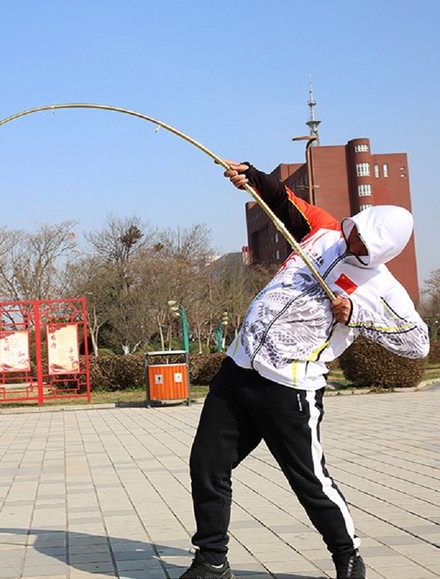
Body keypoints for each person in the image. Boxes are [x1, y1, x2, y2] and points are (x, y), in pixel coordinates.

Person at [180, 161, 430, 579]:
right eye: (354, 233)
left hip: (289, 389)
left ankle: (347, 557)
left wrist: (356, 317)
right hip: (240, 367)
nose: (352, 244)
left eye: (364, 245)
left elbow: (417, 343)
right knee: (207, 462)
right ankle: (211, 560)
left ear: (382, 253)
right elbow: (282, 201)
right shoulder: (324, 232)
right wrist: (253, 177)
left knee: (308, 482)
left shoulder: (383, 288)